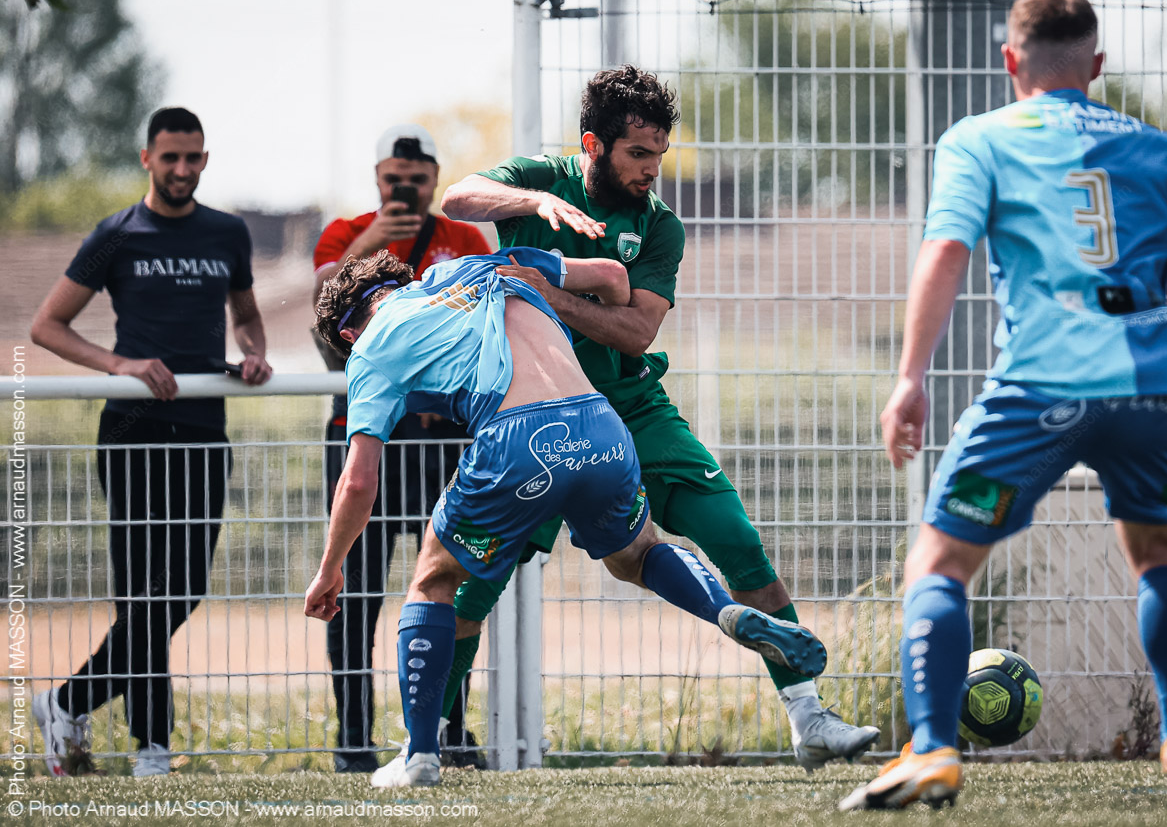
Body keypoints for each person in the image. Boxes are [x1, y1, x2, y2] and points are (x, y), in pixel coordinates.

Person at [840, 0, 1167, 811]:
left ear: (1009, 61)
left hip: (1040, 389)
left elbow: (946, 250)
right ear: (1096, 66)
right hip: (1148, 390)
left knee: (939, 564)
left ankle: (933, 749)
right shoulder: (1160, 149)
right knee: (1159, 552)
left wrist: (910, 377)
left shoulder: (980, 138)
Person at [439, 64, 879, 770]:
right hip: (538, 414)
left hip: (634, 407)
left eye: (659, 155)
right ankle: (433, 737)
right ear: (593, 144)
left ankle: (810, 718)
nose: (651, 170)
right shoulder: (539, 183)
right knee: (473, 580)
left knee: (736, 540)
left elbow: (637, 332)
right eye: (638, 153)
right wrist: (533, 201)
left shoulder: (660, 227)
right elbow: (457, 196)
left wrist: (547, 289)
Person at [304, 248, 829, 788]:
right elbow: (610, 274)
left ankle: (418, 757)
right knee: (640, 554)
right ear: (400, 283)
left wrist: (330, 568)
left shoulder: (369, 347)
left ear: (347, 334)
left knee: (434, 579)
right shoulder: (471, 266)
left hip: (515, 440)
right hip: (602, 425)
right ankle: (727, 612)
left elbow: (359, 481)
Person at [29, 107, 273, 778]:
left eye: (193, 157)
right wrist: (121, 365)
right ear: (147, 159)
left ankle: (65, 701)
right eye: (170, 157)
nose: (182, 169)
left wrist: (253, 352)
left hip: (203, 430)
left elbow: (247, 317)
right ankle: (152, 748)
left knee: (182, 588)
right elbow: (47, 326)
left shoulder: (227, 232)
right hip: (132, 429)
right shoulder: (117, 234)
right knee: (140, 595)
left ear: (205, 159)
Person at [311, 124, 491, 773]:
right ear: (377, 178)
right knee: (355, 593)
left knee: (450, 580)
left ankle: (448, 731)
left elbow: (479, 315)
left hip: (443, 438)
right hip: (369, 432)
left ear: (435, 179)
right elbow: (322, 308)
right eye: (394, 179)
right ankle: (353, 739)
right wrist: (372, 242)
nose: (405, 189)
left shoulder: (463, 238)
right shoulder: (345, 232)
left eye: (417, 180)